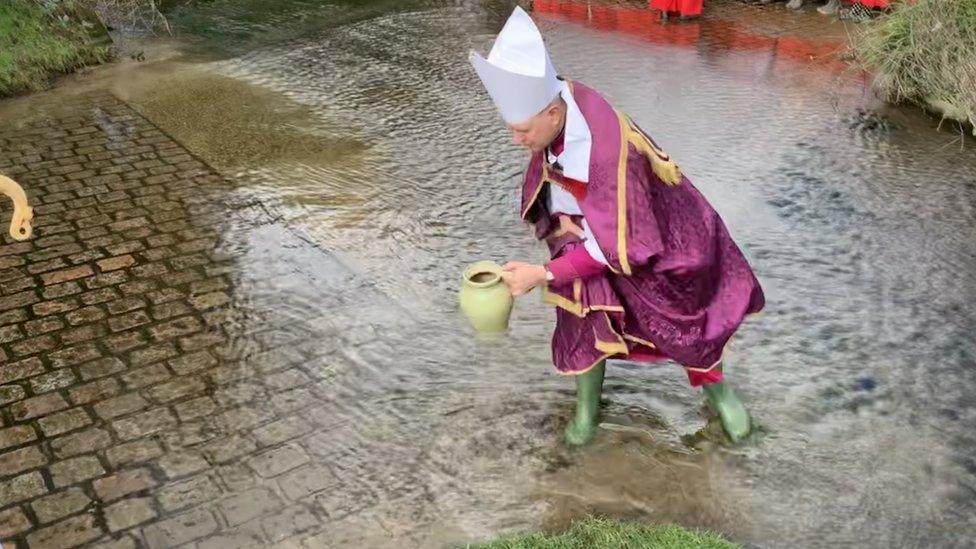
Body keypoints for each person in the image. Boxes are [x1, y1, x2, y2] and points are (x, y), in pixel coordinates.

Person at [469, 7, 765, 445]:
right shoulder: (563, 104)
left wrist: (542, 274)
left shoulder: (606, 157)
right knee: (581, 310)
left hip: (659, 243)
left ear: (552, 113)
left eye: (523, 130)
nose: (518, 141)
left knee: (685, 327)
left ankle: (726, 405)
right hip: (598, 229)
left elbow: (619, 245)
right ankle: (587, 411)